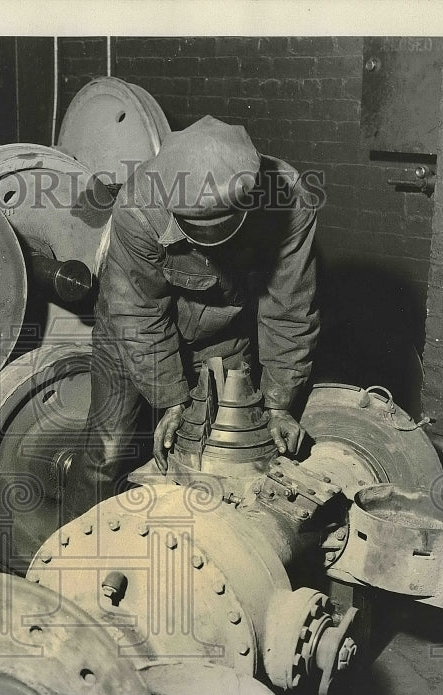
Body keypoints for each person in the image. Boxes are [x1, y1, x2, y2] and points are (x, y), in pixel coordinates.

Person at [62, 114, 320, 522]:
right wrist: (170, 399)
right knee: (107, 453)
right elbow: (138, 312)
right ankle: (70, 565)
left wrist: (278, 403)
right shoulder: (139, 205)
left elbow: (289, 310)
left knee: (226, 461)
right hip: (132, 329)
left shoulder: (289, 200)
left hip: (224, 334)